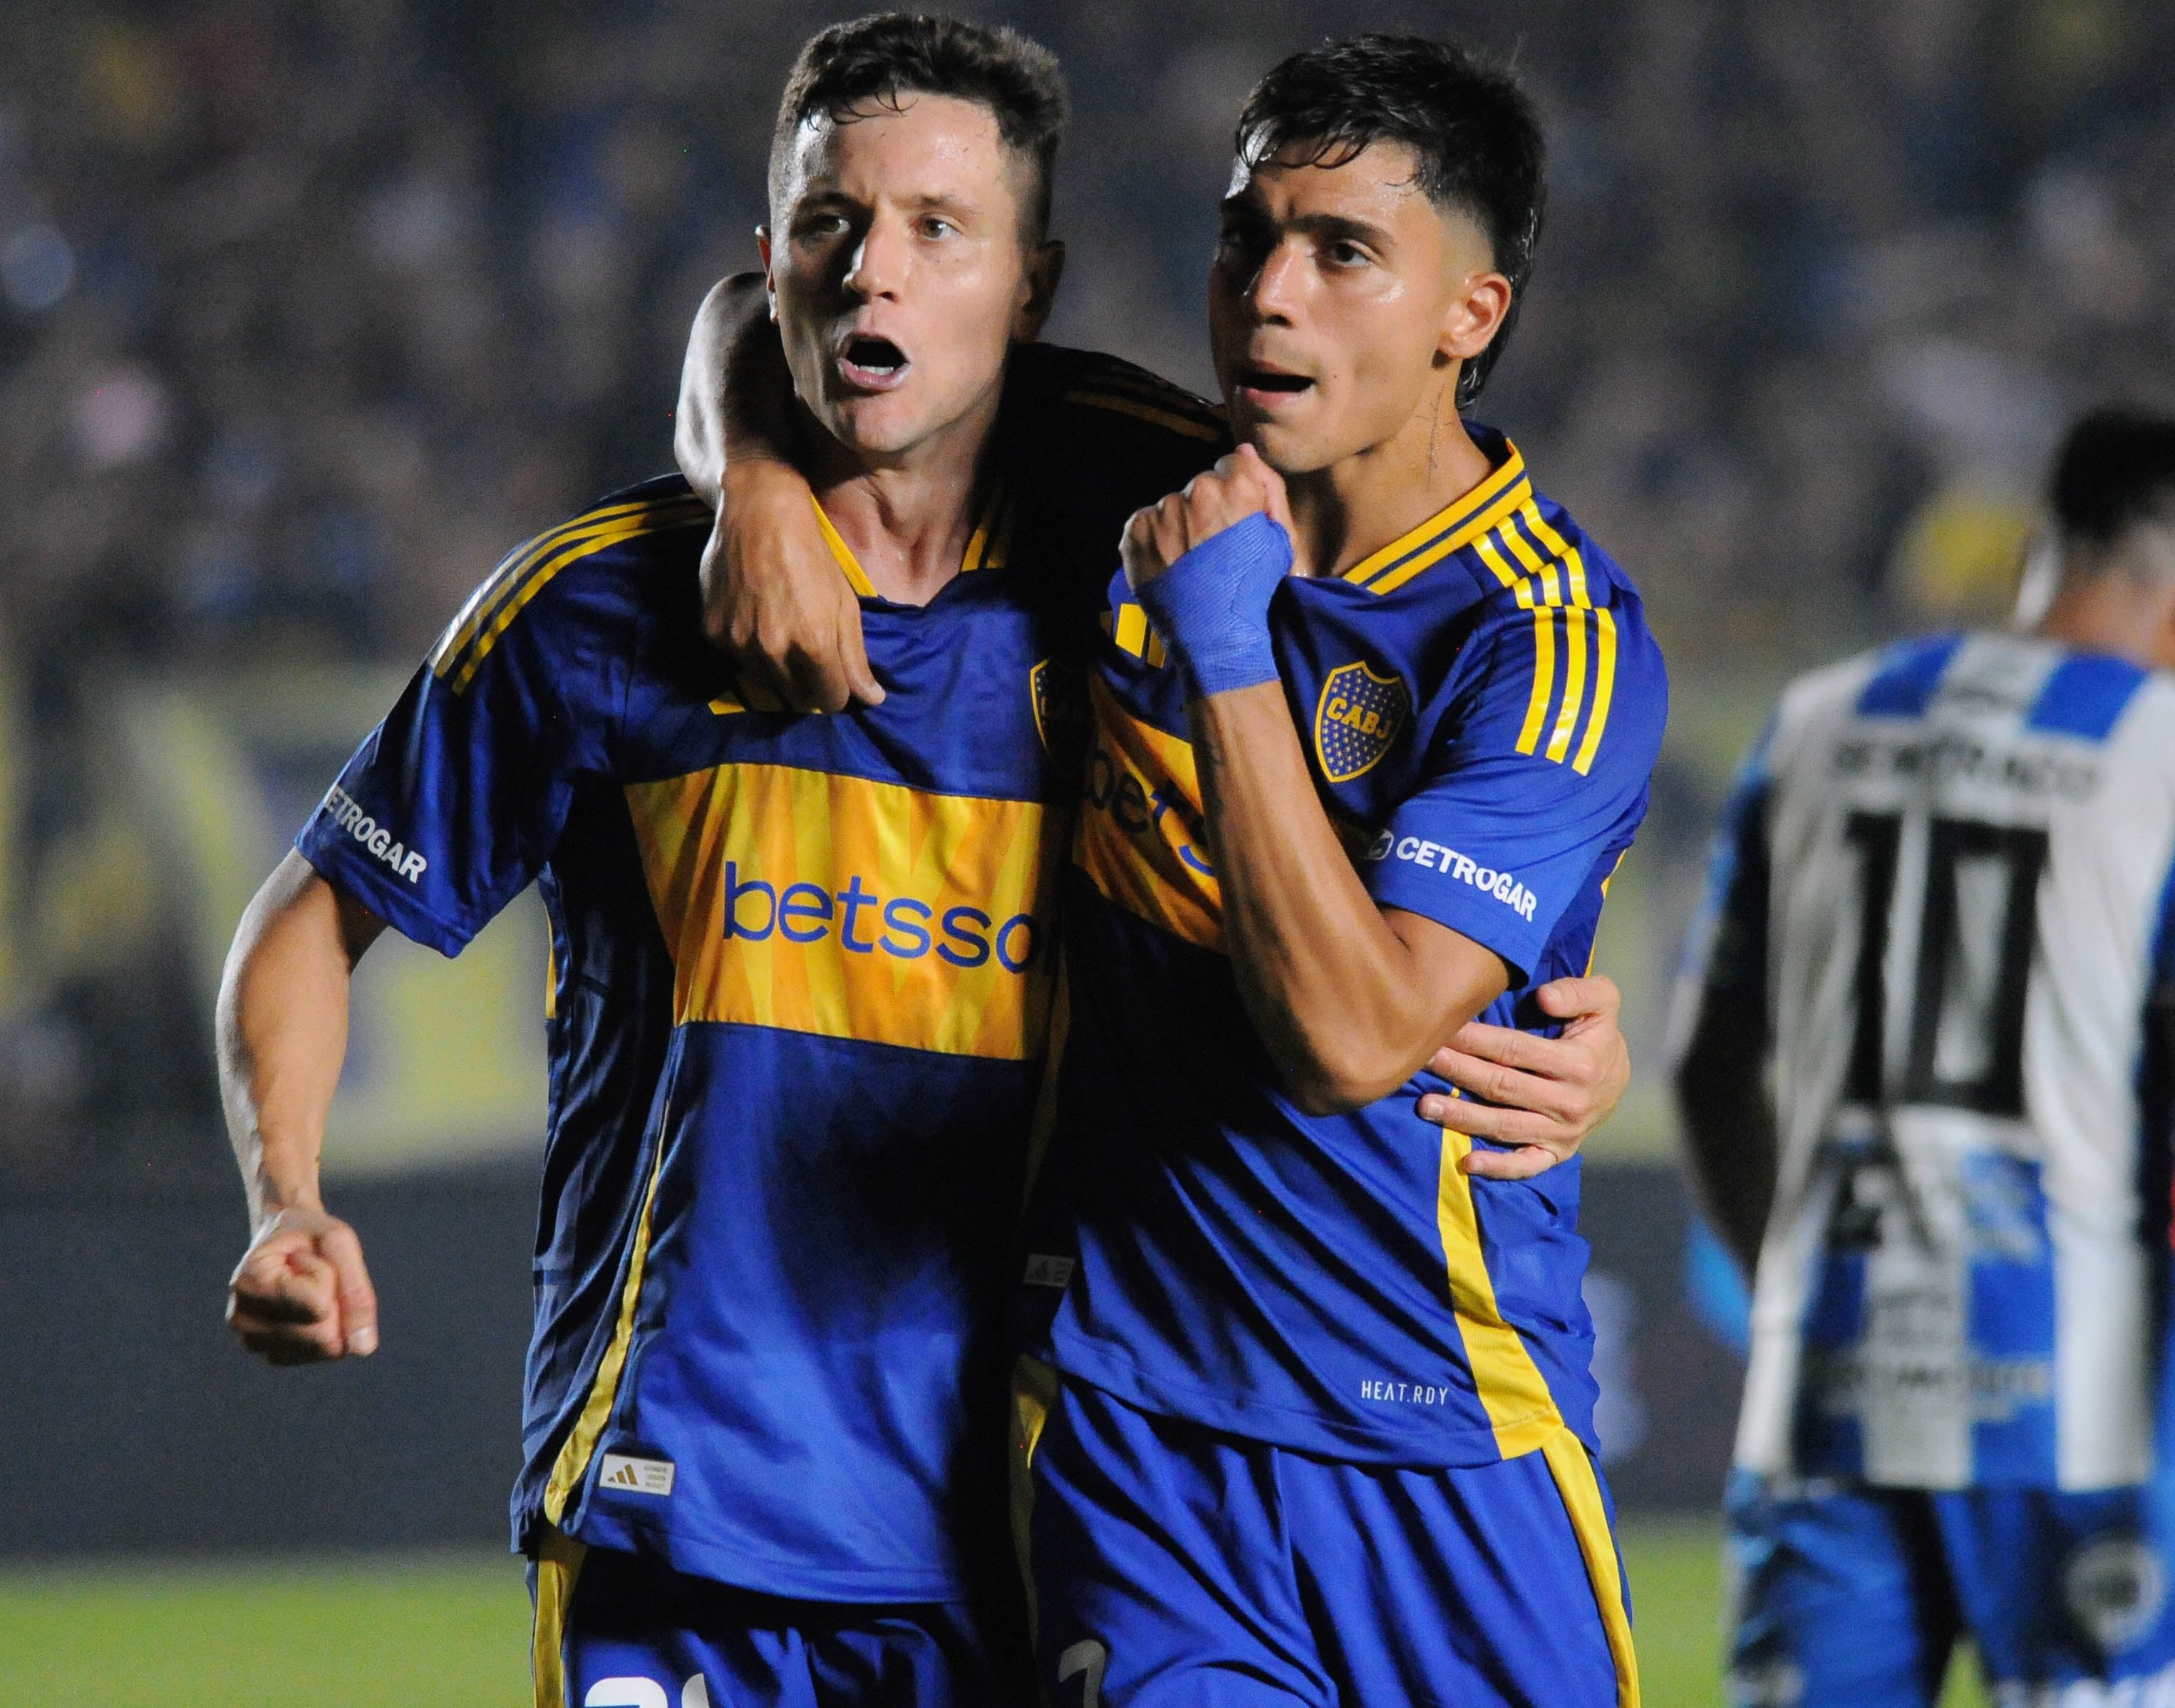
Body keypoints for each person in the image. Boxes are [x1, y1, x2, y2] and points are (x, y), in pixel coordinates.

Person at [221, 16, 1626, 1708]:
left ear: (1030, 286)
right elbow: (316, 912)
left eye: (939, 232)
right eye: (833, 227)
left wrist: (1544, 1011)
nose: (875, 276)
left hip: (1009, 1509)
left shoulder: (1147, 518)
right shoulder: (598, 605)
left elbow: (1350, 968)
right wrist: (289, 1197)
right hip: (691, 1504)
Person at [693, 33, 1670, 1707]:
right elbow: (789, 315)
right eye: (1245, 237)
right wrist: (757, 481)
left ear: (1470, 315)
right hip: (1140, 1439)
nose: (1267, 294)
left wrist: (1223, 650)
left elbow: (1355, 1042)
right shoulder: (1132, 475)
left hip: (1443, 1437)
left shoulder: (1547, 641)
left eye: (1342, 251)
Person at [1670, 410, 2175, 1708]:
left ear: (2048, 550)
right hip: (2083, 1411)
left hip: (1829, 1384)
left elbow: (1702, 1062)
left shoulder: (1811, 725)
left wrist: (1787, 1283)